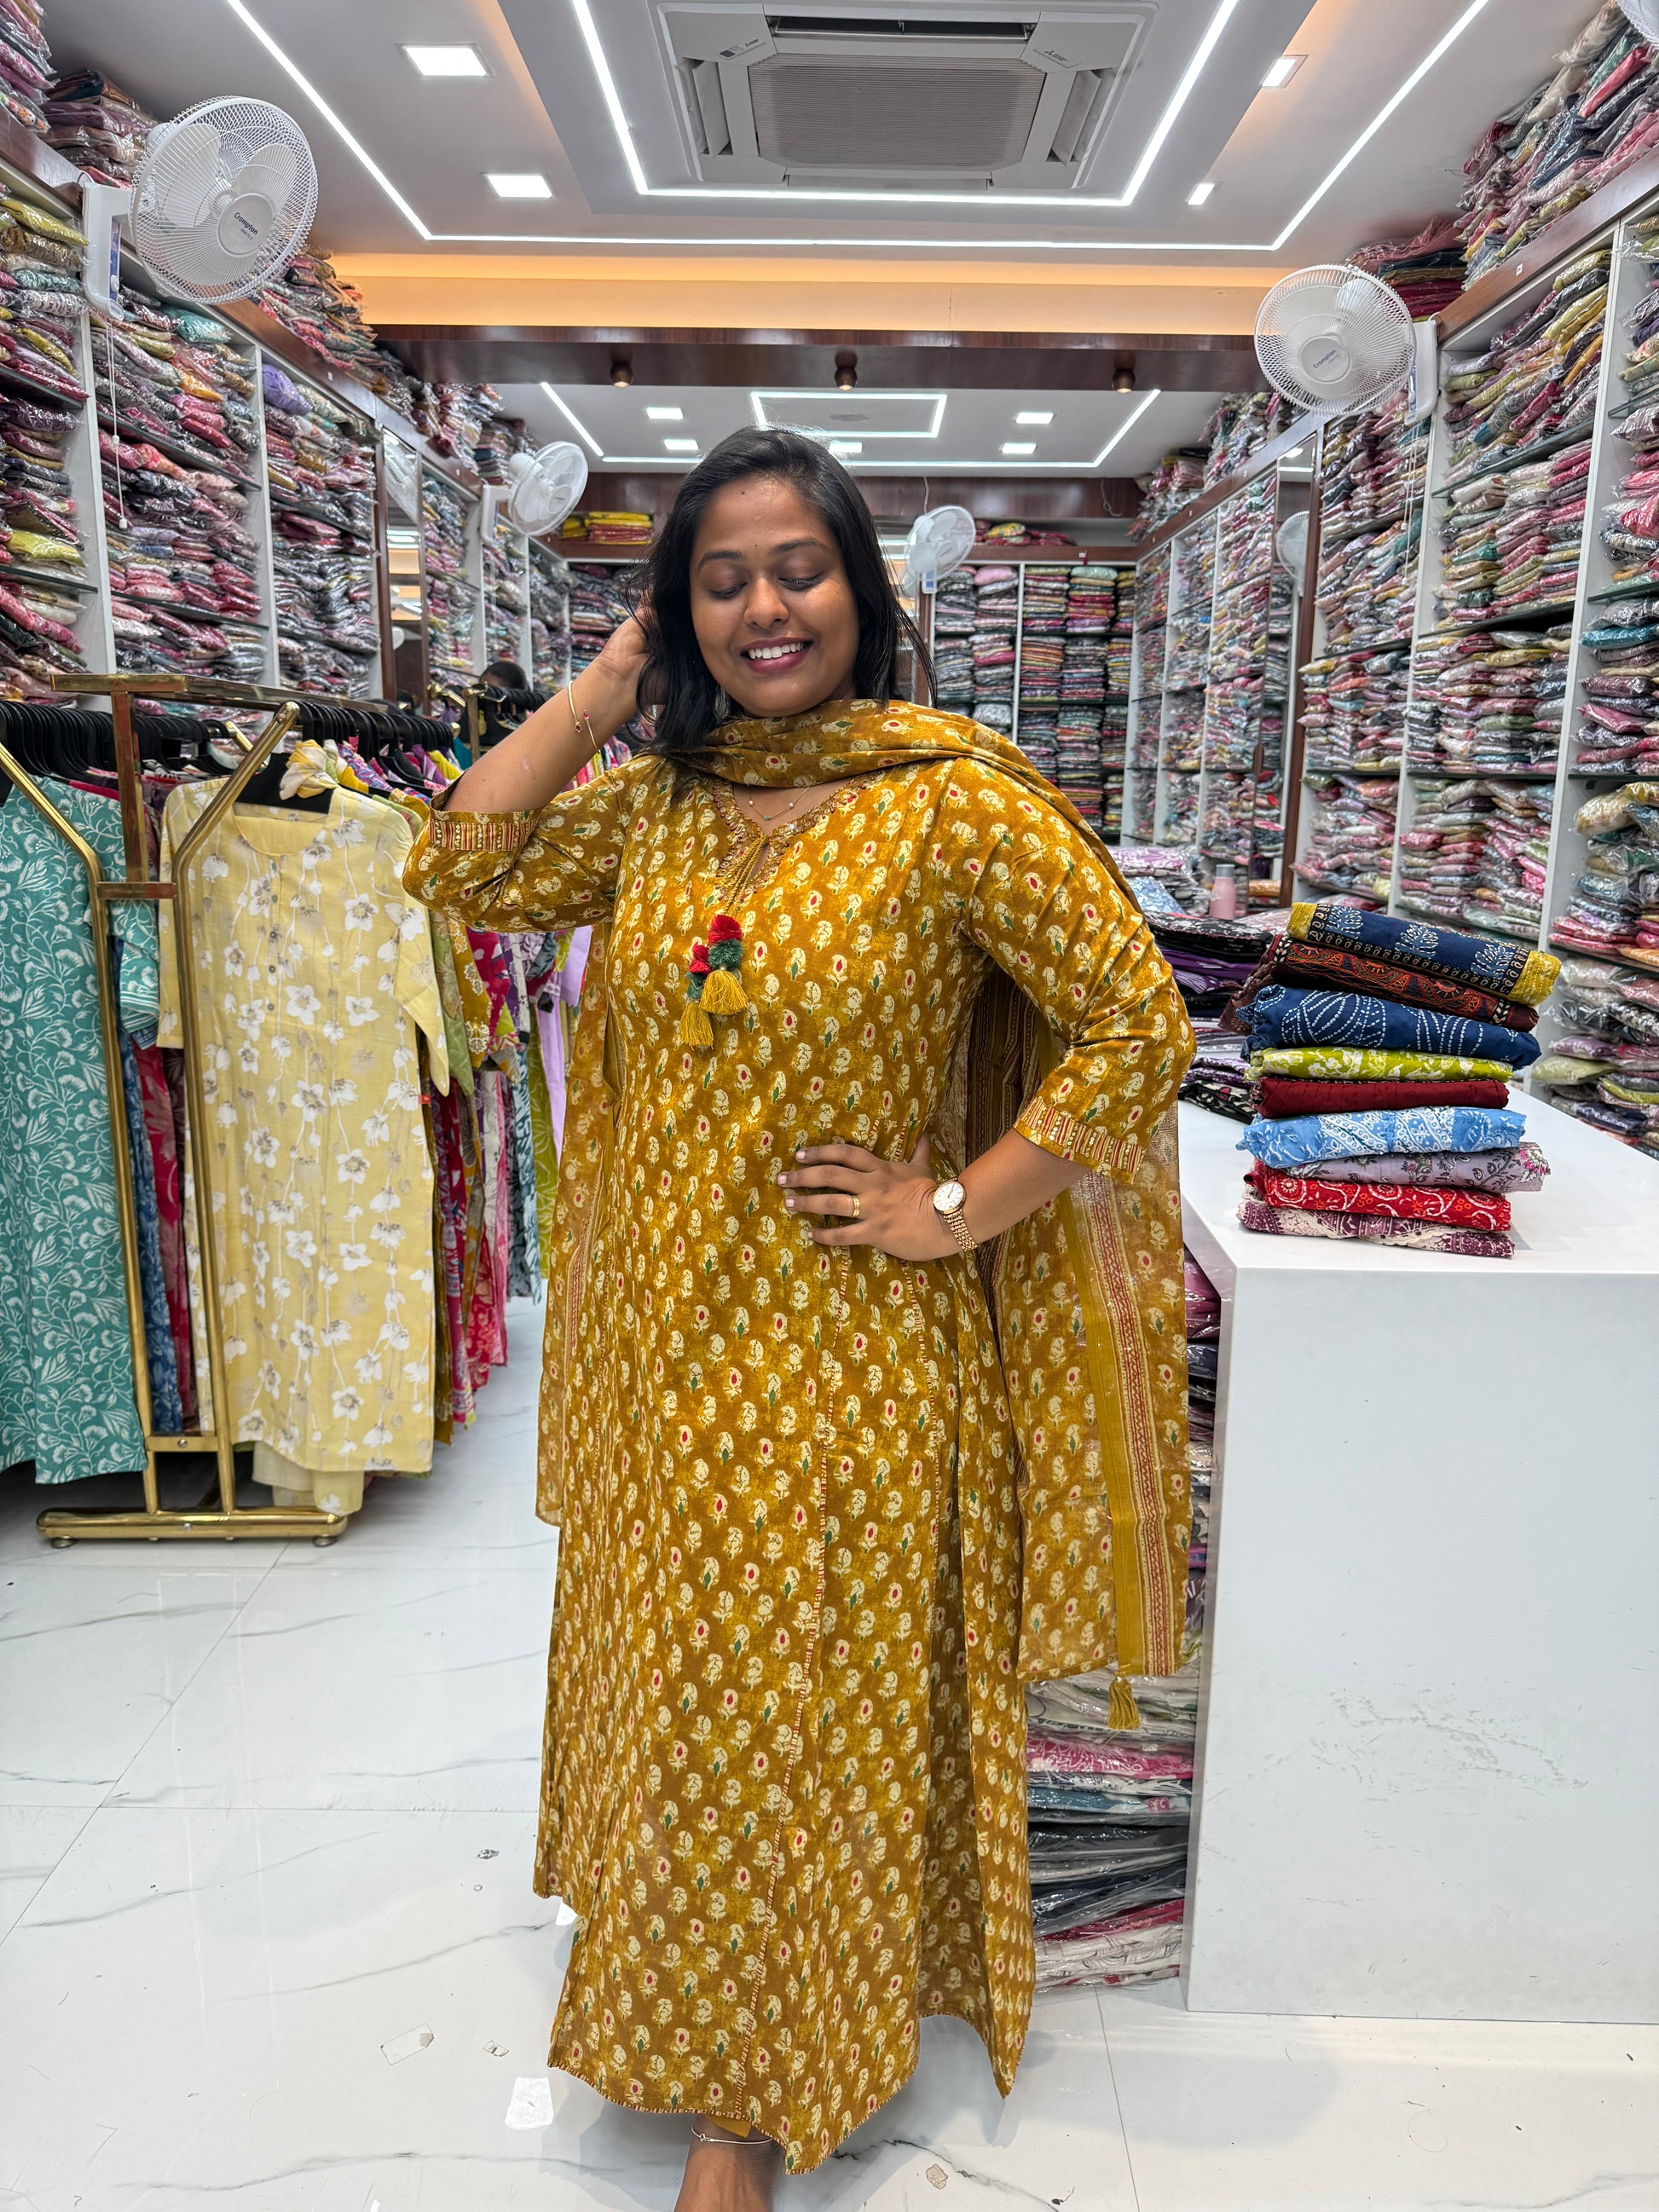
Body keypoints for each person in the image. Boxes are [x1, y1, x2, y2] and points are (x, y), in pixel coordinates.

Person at [404, 429, 1194, 2210]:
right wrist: (606, 687)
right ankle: (699, 1996)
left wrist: (952, 1206)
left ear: (862, 588)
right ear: (679, 611)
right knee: (684, 1704)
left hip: (847, 1354)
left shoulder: (950, 799)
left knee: (792, 1715)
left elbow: (1138, 1025)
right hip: (657, 1353)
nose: (765, 607)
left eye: (798, 568)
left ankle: (744, 2107)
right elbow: (458, 864)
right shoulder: (654, 805)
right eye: (721, 579)